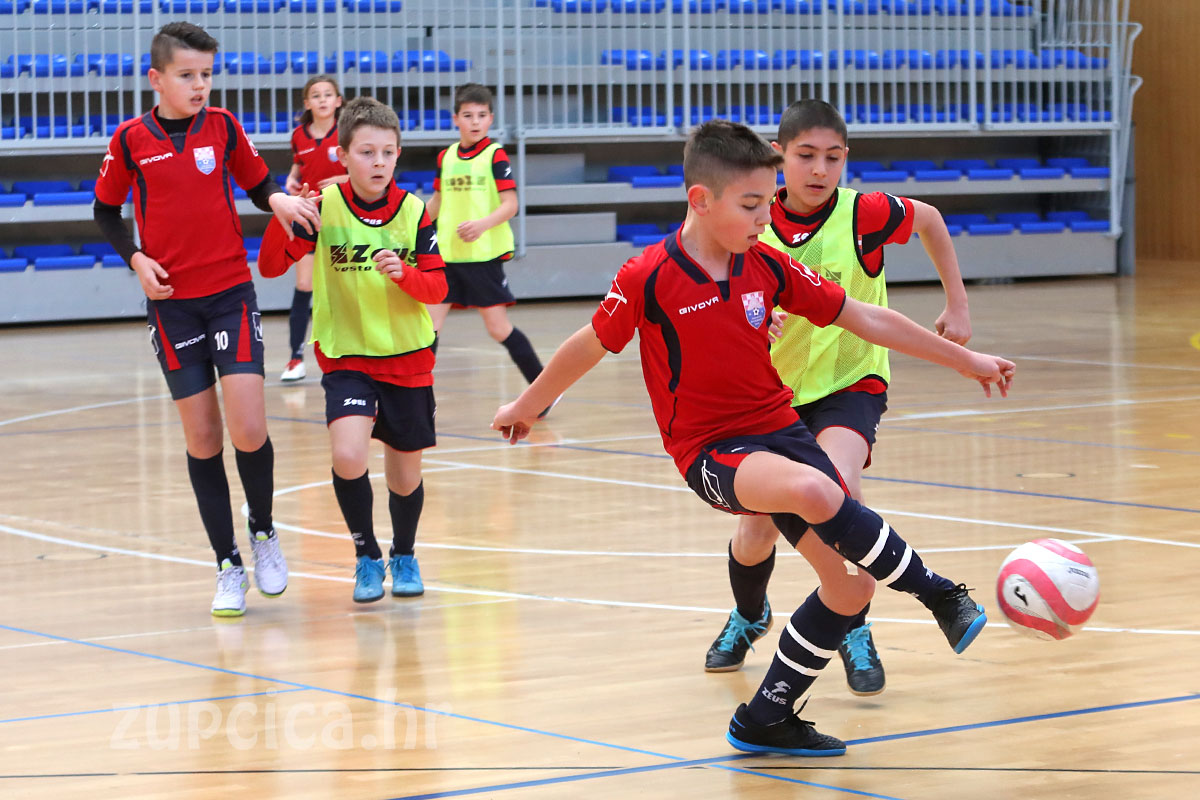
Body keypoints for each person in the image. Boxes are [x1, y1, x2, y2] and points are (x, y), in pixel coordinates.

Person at [492, 120, 1013, 756]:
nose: (766, 217)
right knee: (813, 489)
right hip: (710, 451)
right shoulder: (649, 274)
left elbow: (865, 316)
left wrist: (966, 360)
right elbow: (590, 343)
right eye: (751, 205)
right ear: (700, 199)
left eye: (769, 202)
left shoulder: (766, 262)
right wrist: (527, 405)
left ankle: (765, 718)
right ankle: (938, 593)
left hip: (780, 430)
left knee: (850, 588)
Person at [702, 99, 973, 697]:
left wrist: (956, 301)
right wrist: (747, 319)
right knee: (756, 530)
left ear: (846, 158)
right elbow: (717, 287)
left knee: (839, 490)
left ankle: (855, 624)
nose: (819, 169)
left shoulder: (865, 213)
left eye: (832, 157)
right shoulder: (750, 217)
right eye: (806, 156)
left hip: (851, 382)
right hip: (768, 395)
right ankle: (749, 614)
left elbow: (930, 219)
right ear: (779, 156)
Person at [91, 22, 320, 617]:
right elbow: (105, 210)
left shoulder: (223, 127)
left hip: (229, 294)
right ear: (156, 78)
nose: (199, 86)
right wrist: (136, 259)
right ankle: (227, 564)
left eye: (207, 75)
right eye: (187, 75)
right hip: (172, 304)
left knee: (248, 428)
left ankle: (263, 530)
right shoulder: (130, 140)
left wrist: (279, 200)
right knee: (203, 439)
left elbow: (259, 184)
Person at [258, 97, 447, 603]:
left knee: (405, 476)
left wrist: (405, 274)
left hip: (408, 358)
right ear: (342, 155)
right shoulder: (324, 206)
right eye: (366, 152)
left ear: (398, 154)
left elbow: (438, 287)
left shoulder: (413, 211)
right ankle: (366, 556)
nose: (378, 162)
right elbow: (271, 266)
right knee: (347, 455)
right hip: (347, 359)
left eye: (388, 152)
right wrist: (286, 214)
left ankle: (403, 554)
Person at [426, 83, 556, 415]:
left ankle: (543, 390)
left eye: (481, 115)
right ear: (455, 119)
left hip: (482, 257)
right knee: (428, 328)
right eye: (468, 115)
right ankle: (417, 400)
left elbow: (510, 204)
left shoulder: (495, 155)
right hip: (446, 256)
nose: (475, 121)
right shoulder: (446, 157)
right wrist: (414, 227)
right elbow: (438, 201)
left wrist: (482, 225)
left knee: (498, 328)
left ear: (490, 119)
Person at [279, 75, 349, 383]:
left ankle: (348, 353)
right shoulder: (299, 135)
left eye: (328, 94)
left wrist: (343, 180)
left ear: (338, 101)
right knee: (304, 285)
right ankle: (296, 358)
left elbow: (364, 170)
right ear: (307, 103)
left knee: (343, 285)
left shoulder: (348, 131)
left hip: (342, 216)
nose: (322, 100)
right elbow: (298, 166)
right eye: (316, 95)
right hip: (308, 214)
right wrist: (291, 180)